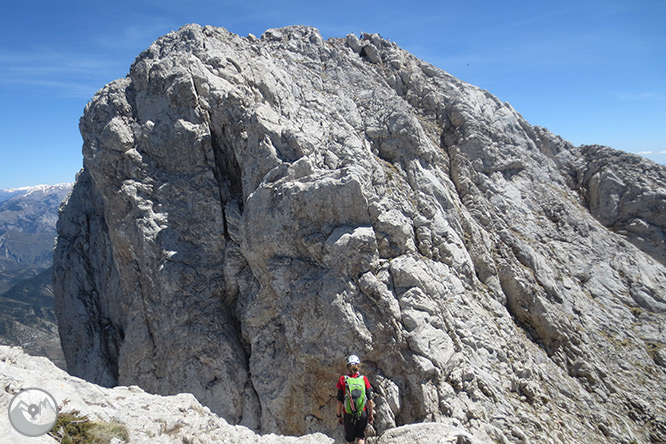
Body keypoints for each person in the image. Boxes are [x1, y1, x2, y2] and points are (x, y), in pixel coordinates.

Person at [336, 355, 374, 444]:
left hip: (348, 414)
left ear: (348, 367)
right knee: (360, 436)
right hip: (362, 412)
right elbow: (370, 400)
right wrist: (371, 414)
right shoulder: (364, 379)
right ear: (358, 366)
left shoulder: (343, 379)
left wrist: (339, 415)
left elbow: (339, 401)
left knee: (351, 439)